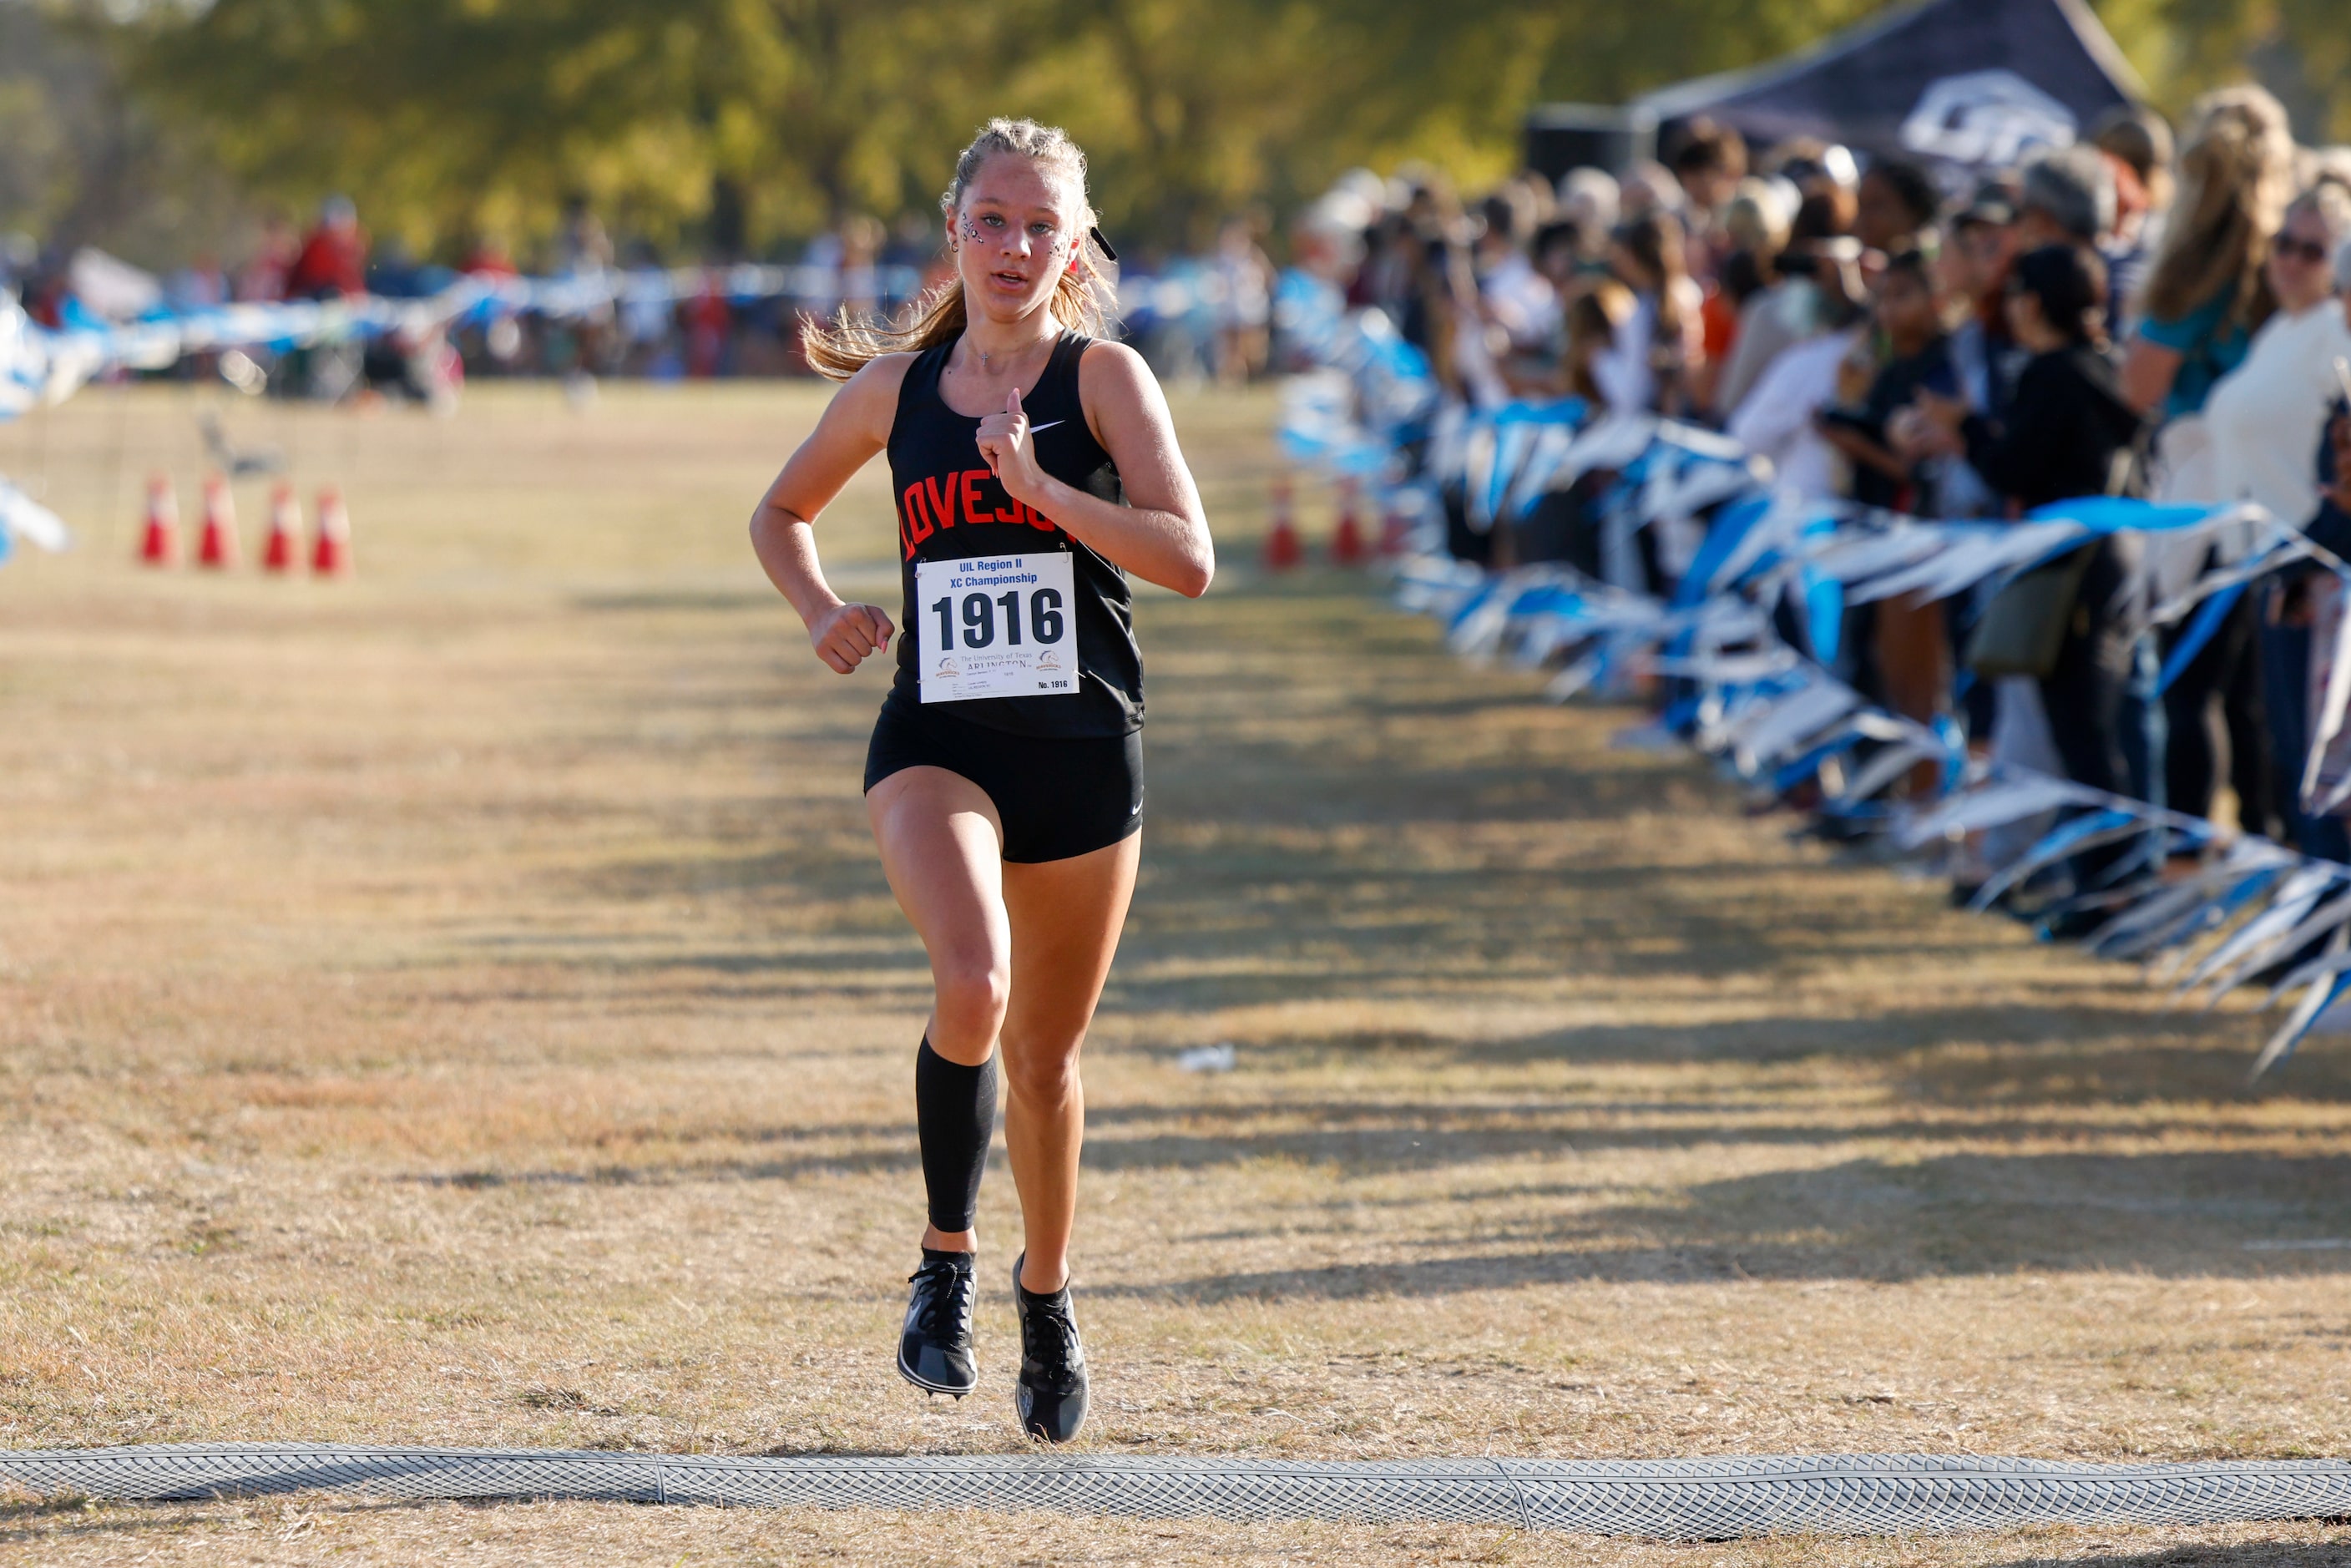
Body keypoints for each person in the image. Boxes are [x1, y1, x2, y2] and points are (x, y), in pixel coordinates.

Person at [746, 118, 1213, 1444]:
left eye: (1039, 226)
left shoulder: (1106, 380)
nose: (1013, 246)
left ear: (1075, 250)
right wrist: (821, 606)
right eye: (991, 220)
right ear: (954, 231)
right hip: (939, 740)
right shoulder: (896, 393)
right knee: (974, 979)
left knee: (1048, 1062)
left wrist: (1042, 488)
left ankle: (1046, 1293)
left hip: (1081, 751)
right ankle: (944, 1262)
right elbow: (779, 513)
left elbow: (1189, 557)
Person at [1914, 246, 2149, 855]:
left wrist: (1964, 427)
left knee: (2080, 732)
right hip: (2108, 559)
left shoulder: (2051, 374)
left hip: (2067, 571)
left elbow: (2011, 470)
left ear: (2035, 303)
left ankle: (2106, 877)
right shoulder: (2102, 366)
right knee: (2089, 727)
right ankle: (2097, 870)